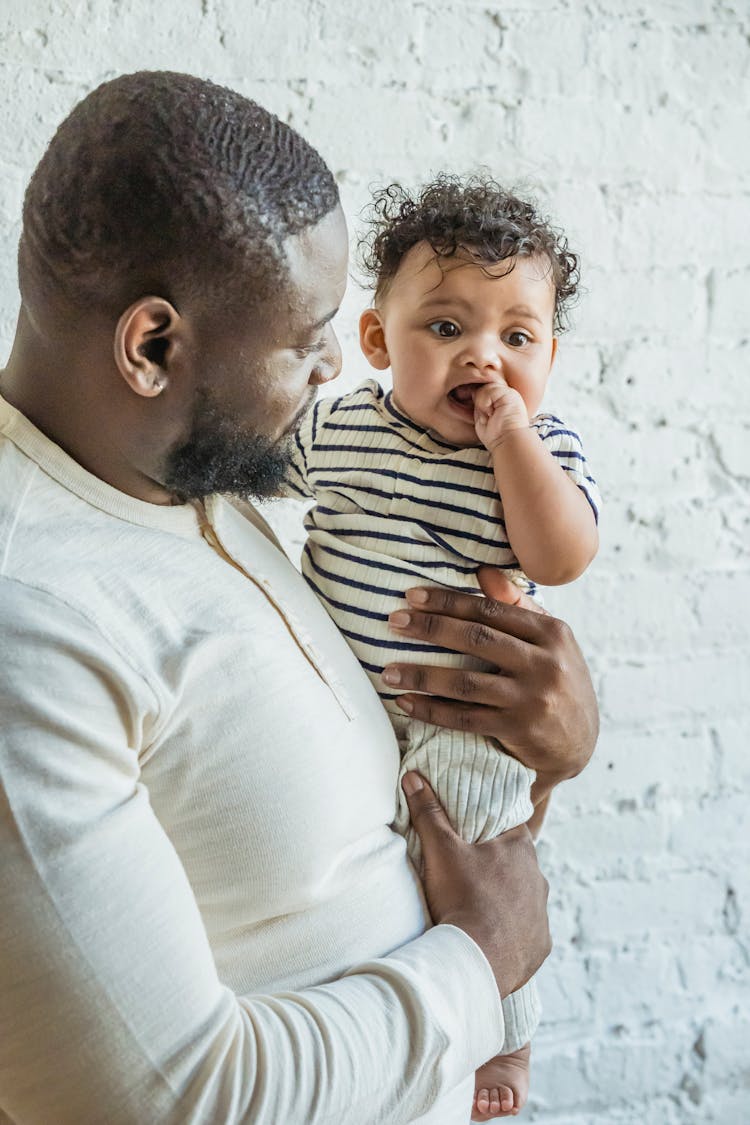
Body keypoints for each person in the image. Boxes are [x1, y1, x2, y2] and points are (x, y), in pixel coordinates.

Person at [0, 72, 597, 1125]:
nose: (336, 366)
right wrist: (483, 958)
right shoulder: (29, 616)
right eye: (304, 336)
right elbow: (164, 1098)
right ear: (153, 347)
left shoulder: (185, 475)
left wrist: (552, 741)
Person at [283, 176, 601, 1119]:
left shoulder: (540, 452)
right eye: (448, 329)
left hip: (464, 717)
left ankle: (505, 1035)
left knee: (470, 855)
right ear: (377, 342)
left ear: (550, 354)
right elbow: (256, 455)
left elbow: (562, 553)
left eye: (517, 337)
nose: (485, 360)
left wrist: (512, 443)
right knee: (376, 877)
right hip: (343, 699)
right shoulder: (341, 429)